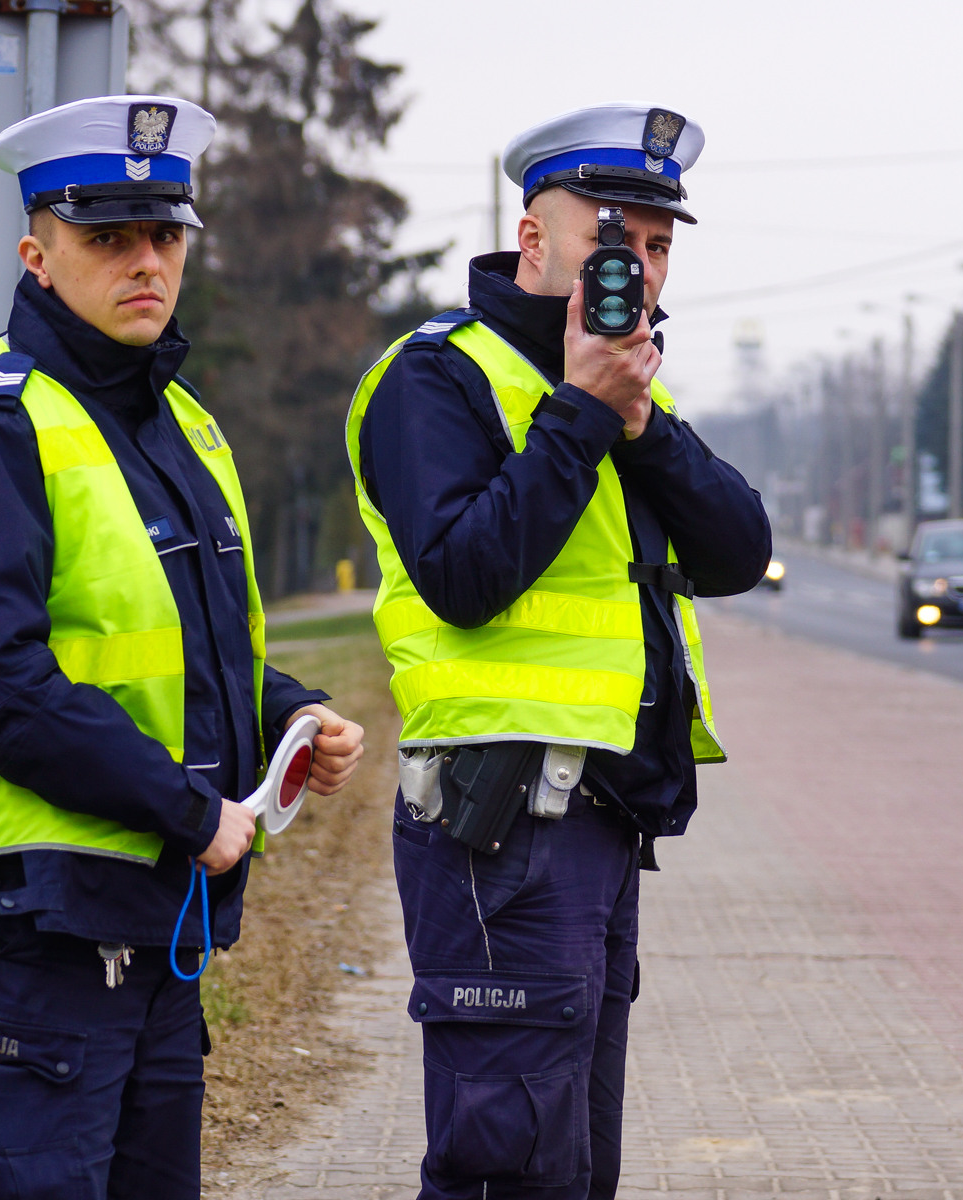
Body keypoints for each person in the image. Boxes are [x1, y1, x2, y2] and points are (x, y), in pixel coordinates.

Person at [0, 94, 365, 1199]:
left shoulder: (181, 427)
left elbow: (181, 653)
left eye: (165, 235)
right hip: (28, 942)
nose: (147, 261)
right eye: (108, 238)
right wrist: (190, 812)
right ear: (36, 255)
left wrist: (286, 714)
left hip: (148, 935)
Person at [345, 103, 771, 1197]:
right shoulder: (435, 378)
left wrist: (638, 423)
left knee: (573, 1162)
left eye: (660, 246)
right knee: (508, 1162)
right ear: (533, 239)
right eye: (613, 237)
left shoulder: (630, 393)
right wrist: (579, 416)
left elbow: (738, 550)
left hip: (601, 816)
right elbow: (464, 577)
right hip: (499, 823)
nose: (639, 266)